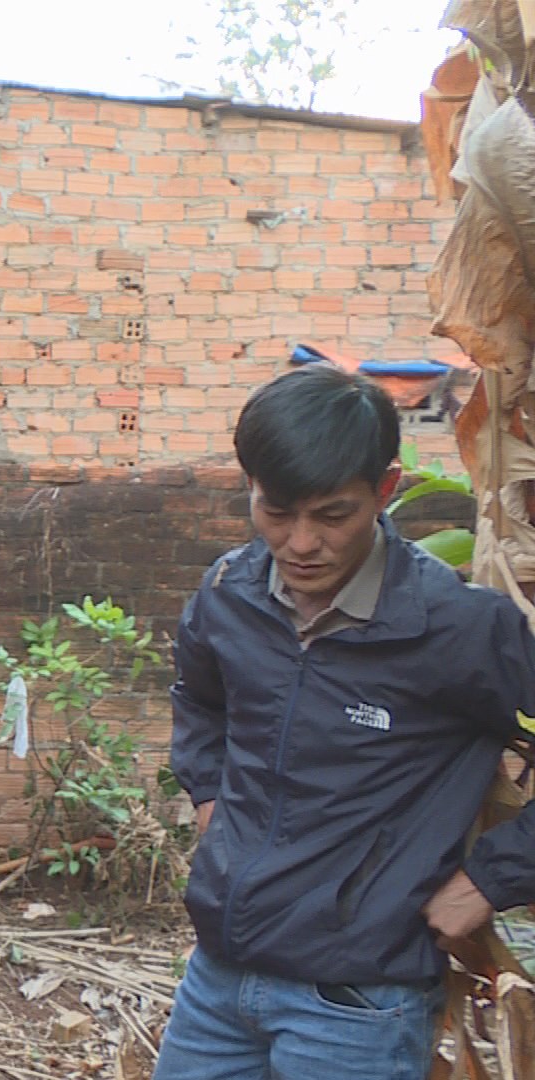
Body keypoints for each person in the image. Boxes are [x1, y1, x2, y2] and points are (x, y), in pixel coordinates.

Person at [154, 364, 535, 1080]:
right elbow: (199, 701)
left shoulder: (456, 627)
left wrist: (489, 878)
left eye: (332, 515)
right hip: (219, 982)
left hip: (358, 1003)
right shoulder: (229, 594)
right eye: (275, 511)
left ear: (384, 490)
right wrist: (209, 797)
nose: (300, 543)